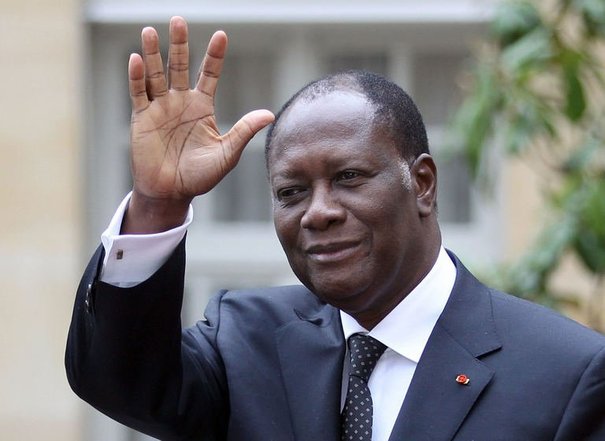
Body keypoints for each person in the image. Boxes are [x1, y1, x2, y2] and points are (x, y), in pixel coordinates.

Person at [66, 16, 605, 441]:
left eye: (348, 178)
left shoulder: (564, 374)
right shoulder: (247, 344)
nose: (318, 212)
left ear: (422, 184)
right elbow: (121, 382)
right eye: (291, 192)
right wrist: (158, 204)